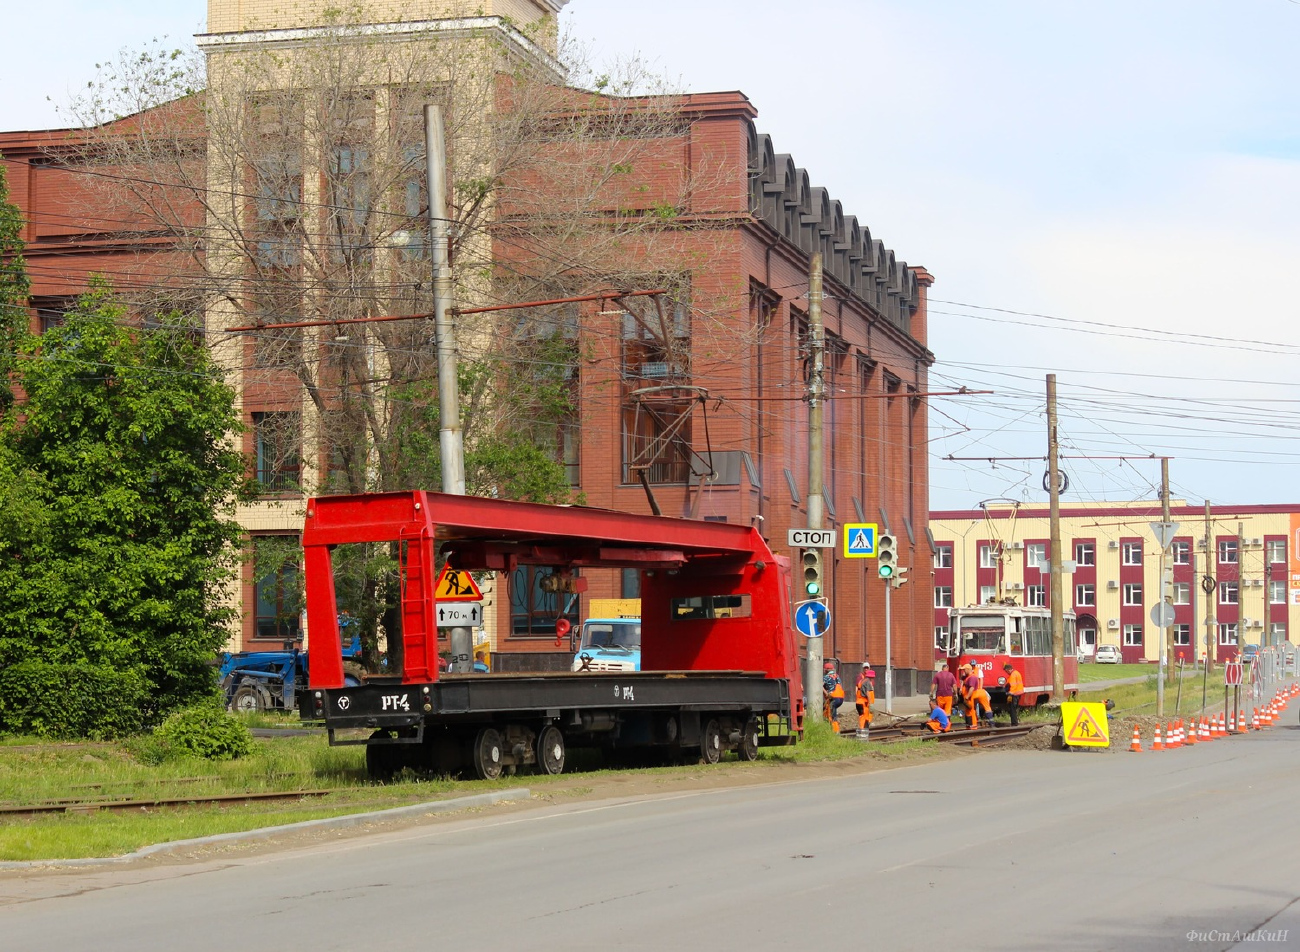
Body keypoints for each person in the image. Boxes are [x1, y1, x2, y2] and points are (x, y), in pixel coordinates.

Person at [823, 661, 845, 732]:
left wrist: (826, 693)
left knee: (831, 715)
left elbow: (820, 686)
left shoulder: (826, 677)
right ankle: (835, 729)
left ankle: (834, 731)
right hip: (840, 699)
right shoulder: (837, 676)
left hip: (833, 698)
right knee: (833, 712)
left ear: (826, 670)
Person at [855, 666, 876, 737]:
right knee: (865, 718)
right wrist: (870, 704)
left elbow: (857, 689)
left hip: (858, 702)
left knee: (861, 717)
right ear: (871, 677)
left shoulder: (861, 681)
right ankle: (864, 734)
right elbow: (868, 692)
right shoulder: (868, 682)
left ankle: (862, 733)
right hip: (864, 703)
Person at [960, 664, 981, 729]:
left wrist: (967, 696)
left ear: (968, 669)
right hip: (969, 697)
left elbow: (972, 688)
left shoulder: (972, 677)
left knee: (972, 711)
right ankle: (969, 725)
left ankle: (973, 725)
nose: (963, 671)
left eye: (964, 670)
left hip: (971, 697)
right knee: (968, 711)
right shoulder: (968, 677)